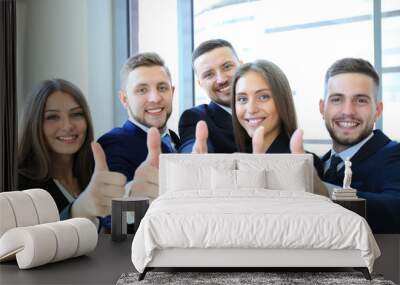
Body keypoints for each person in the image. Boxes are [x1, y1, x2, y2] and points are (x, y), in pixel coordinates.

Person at [18, 79, 126, 225]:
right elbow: (33, 242)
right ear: (34, 124)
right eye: (52, 117)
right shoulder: (18, 185)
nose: (68, 126)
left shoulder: (96, 172)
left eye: (76, 114)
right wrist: (80, 209)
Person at [97, 52, 179, 229]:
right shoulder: (114, 143)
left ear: (172, 92)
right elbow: (110, 218)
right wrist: (132, 200)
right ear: (124, 99)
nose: (155, 98)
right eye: (142, 90)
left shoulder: (176, 139)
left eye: (162, 88)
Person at [320, 57, 400, 233]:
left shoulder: (394, 155)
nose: (348, 111)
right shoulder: (318, 164)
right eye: (337, 99)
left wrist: (321, 190)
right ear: (322, 109)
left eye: (361, 100)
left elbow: (396, 208)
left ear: (377, 110)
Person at [230, 60, 324, 180]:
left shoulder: (305, 163)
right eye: (242, 99)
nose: (251, 109)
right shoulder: (234, 161)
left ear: (282, 101)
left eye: (263, 97)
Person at [178, 39, 241, 153]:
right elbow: (192, 146)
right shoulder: (195, 118)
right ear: (200, 84)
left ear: (242, 66)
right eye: (209, 75)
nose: (221, 79)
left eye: (227, 67)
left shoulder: (271, 108)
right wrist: (193, 158)